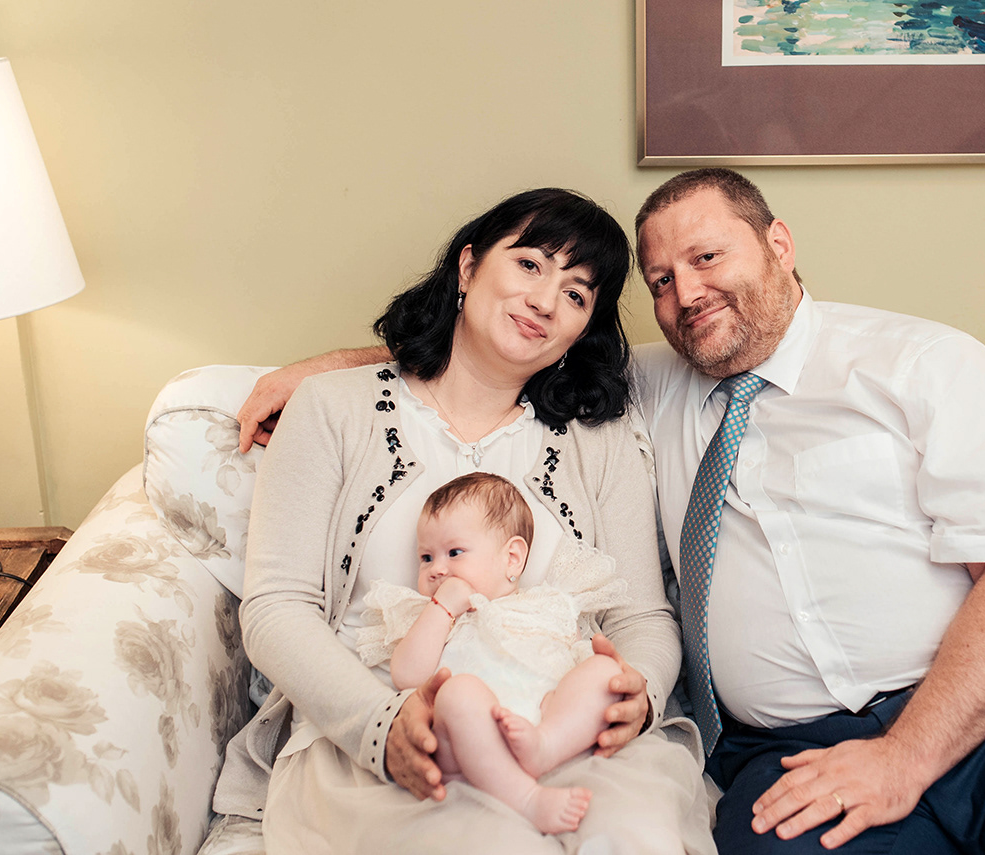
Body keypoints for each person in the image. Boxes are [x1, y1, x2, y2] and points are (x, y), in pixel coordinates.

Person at [233, 170, 985, 855]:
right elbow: (492, 356)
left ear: (777, 242)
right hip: (791, 747)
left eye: (709, 258)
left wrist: (901, 757)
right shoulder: (645, 387)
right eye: (662, 280)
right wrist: (331, 368)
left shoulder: (922, 363)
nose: (687, 294)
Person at [210, 187, 715, 855]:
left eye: (575, 294)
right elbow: (277, 609)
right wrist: (380, 726)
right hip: (394, 732)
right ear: (469, 266)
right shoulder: (332, 408)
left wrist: (637, 692)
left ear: (582, 329)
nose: (545, 301)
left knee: (635, 837)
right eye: (529, 265)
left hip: (562, 731)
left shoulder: (600, 437)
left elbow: (643, 616)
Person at [354, 471, 629, 835]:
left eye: (454, 553)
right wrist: (442, 608)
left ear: (512, 558)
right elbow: (407, 677)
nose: (437, 569)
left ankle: (545, 746)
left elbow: (573, 658)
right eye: (426, 557)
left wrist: (592, 674)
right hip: (469, 746)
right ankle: (526, 798)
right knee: (457, 692)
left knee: (605, 670)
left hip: (548, 725)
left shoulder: (548, 602)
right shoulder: (436, 618)